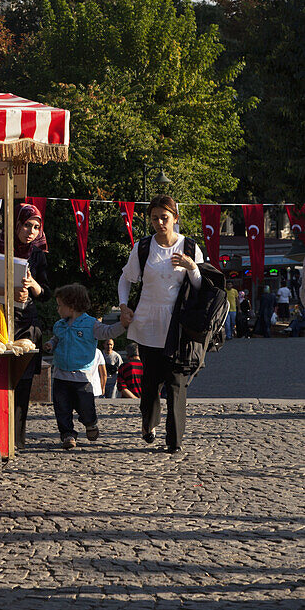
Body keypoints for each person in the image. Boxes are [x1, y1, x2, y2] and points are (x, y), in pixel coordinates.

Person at [118, 194, 206, 455]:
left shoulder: (189, 247)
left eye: (164, 217)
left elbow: (202, 288)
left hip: (178, 326)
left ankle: (175, 440)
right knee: (150, 382)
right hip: (147, 323)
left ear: (175, 218)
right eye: (155, 218)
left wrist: (192, 267)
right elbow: (126, 279)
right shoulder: (143, 247)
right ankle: (149, 424)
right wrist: (124, 306)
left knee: (177, 383)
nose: (159, 222)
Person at [0, 202, 51, 448]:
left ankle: (16, 438)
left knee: (23, 381)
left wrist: (32, 285)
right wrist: (9, 292)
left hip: (26, 323)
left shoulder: (38, 254)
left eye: (36, 227)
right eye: (27, 225)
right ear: (16, 224)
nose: (31, 232)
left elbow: (45, 292)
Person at [45, 283, 124, 450]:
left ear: (72, 306)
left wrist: (123, 324)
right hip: (60, 374)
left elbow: (108, 332)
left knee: (86, 406)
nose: (58, 309)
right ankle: (67, 434)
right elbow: (57, 338)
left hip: (81, 376)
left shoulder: (91, 324)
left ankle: (90, 423)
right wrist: (51, 344)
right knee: (62, 408)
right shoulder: (60, 325)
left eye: (60, 305)